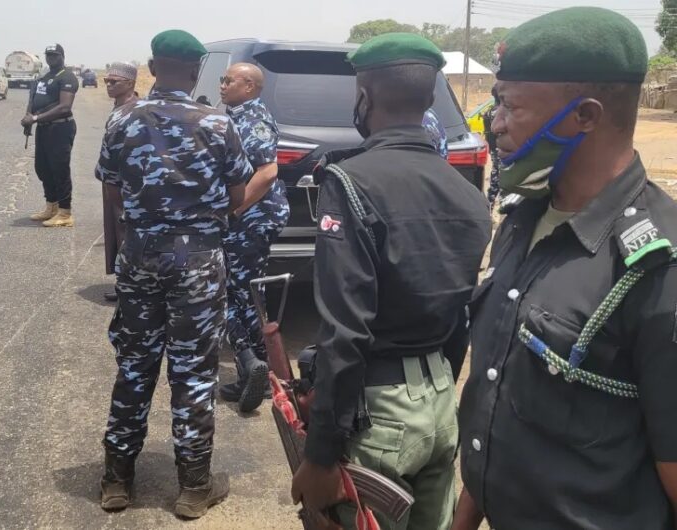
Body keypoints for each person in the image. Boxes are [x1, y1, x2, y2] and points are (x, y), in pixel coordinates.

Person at [453, 8, 677, 530]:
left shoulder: (657, 268)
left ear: (586, 116)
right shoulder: (523, 217)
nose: (493, 122)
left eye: (510, 105)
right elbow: (498, 412)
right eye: (495, 102)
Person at [290, 33, 492, 530]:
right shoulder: (466, 192)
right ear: (429, 99)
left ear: (365, 96)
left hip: (378, 411)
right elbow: (461, 314)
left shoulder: (350, 182)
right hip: (440, 405)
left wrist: (320, 454)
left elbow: (346, 331)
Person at [94, 30, 251, 518]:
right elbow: (238, 196)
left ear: (151, 67)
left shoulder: (122, 119)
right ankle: (193, 488)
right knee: (195, 373)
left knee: (135, 365)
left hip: (141, 254)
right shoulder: (218, 123)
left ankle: (117, 481)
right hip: (198, 262)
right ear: (198, 70)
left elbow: (113, 191)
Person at [216, 62, 290, 412]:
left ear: (249, 86)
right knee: (242, 291)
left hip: (251, 218)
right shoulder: (237, 114)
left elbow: (268, 171)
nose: (222, 85)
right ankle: (254, 367)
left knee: (238, 291)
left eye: (228, 80)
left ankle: (257, 367)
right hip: (247, 218)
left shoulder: (253, 118)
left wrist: (233, 210)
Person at [21, 44, 79, 228]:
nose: (51, 58)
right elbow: (33, 99)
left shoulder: (67, 77)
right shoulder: (44, 77)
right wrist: (29, 118)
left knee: (59, 169)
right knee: (43, 168)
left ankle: (65, 212)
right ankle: (51, 207)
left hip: (60, 128)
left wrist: (35, 118)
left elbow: (64, 107)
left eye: (55, 55)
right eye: (48, 55)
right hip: (43, 129)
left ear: (62, 56)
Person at [101, 62, 139, 302]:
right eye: (107, 81)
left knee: (126, 234)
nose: (109, 85)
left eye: (114, 82)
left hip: (127, 185)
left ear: (130, 83)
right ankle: (122, 281)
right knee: (116, 232)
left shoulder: (135, 110)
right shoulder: (119, 107)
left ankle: (129, 285)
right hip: (113, 181)